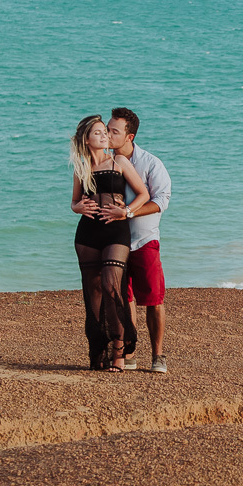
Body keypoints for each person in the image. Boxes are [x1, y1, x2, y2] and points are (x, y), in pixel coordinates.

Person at [70, 115, 150, 372]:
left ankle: (119, 351)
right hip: (88, 234)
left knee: (111, 285)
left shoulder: (119, 161)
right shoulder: (80, 168)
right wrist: (77, 207)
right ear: (86, 139)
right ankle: (98, 353)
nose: (104, 136)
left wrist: (126, 211)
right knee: (92, 293)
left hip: (116, 231)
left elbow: (143, 194)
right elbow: (74, 203)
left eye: (105, 132)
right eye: (98, 133)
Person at [106, 107, 172, 374]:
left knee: (154, 299)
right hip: (116, 241)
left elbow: (161, 200)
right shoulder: (104, 161)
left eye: (114, 131)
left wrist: (129, 212)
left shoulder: (151, 163)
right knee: (124, 299)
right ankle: (130, 353)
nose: (108, 135)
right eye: (107, 129)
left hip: (144, 240)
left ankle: (158, 356)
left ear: (129, 136)